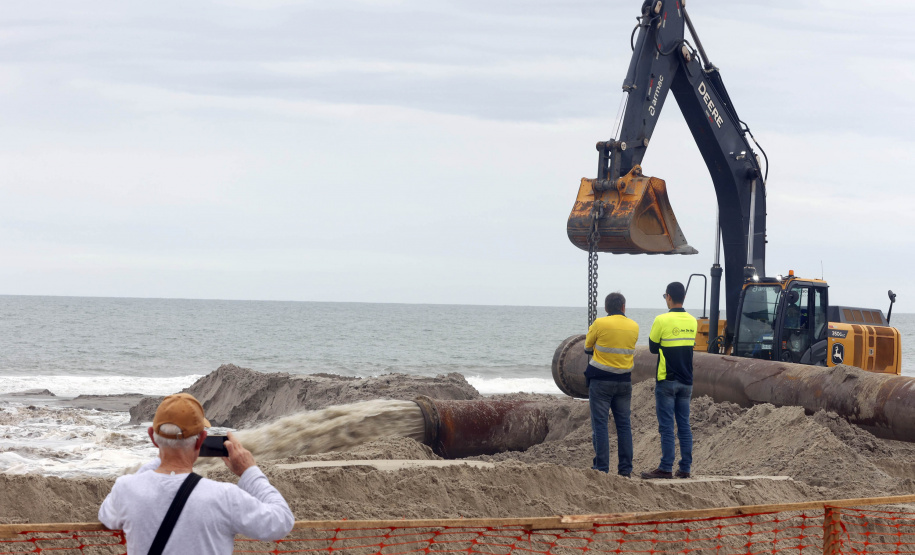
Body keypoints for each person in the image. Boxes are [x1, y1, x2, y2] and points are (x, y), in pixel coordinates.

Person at [99, 393, 294, 554]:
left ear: (152, 436)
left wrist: (164, 456)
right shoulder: (224, 496)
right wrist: (249, 471)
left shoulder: (125, 489)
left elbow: (107, 517)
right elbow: (282, 521)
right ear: (201, 439)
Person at [641, 282, 697, 480]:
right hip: (687, 380)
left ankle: (666, 467)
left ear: (669, 297)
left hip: (667, 380)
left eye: (665, 296)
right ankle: (685, 468)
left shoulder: (661, 320)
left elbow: (653, 348)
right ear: (684, 297)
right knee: (684, 425)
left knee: (666, 426)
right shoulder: (693, 321)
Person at [584, 292, 639, 477]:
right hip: (624, 382)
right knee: (624, 426)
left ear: (606, 308)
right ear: (623, 307)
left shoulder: (599, 323)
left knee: (600, 425)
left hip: (601, 381)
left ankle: (602, 469)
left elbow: (587, 347)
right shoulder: (634, 326)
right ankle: (625, 470)